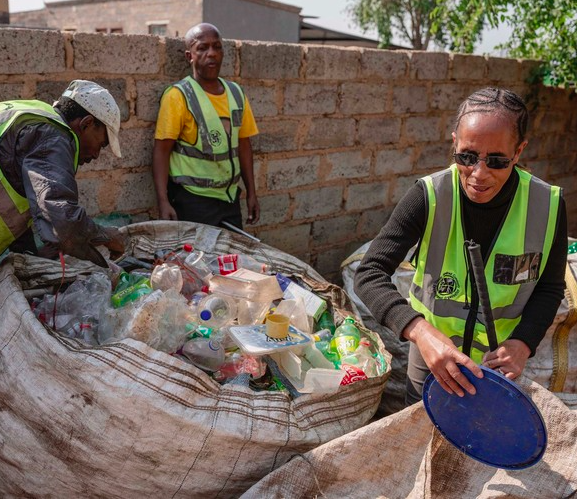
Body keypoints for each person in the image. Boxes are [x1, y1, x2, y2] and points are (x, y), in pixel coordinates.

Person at [354, 87, 567, 405]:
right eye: (467, 157)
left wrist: (523, 343)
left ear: (519, 152)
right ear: (454, 142)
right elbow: (369, 273)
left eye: (497, 161)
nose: (479, 174)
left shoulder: (546, 206)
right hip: (431, 363)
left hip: (497, 367)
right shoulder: (429, 196)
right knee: (423, 440)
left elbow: (550, 288)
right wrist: (420, 332)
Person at [0, 79, 127, 268]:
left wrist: (29, 254)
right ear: (87, 124)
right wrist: (106, 237)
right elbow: (62, 223)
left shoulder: (31, 115)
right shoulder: (51, 136)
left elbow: (14, 190)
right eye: (101, 144)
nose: (96, 155)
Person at [153, 22, 260, 229]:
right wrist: (162, 200)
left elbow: (244, 146)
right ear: (189, 56)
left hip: (229, 199)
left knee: (230, 259)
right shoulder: (179, 96)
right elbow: (161, 150)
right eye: (202, 48)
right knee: (195, 260)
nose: (211, 53)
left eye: (217, 47)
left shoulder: (236, 93)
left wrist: (251, 193)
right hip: (193, 201)